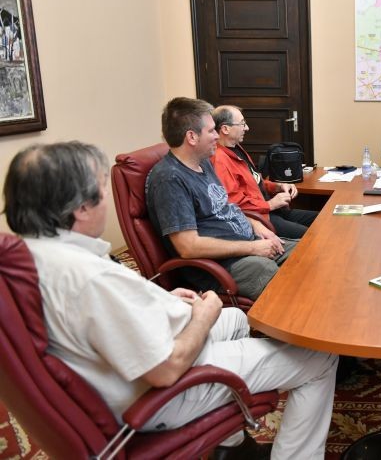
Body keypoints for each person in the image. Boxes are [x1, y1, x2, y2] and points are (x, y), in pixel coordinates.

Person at [2, 141, 338, 460]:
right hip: (167, 389)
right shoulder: (89, 278)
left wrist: (158, 299)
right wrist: (204, 314)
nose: (105, 198)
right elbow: (166, 369)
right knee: (319, 357)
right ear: (81, 207)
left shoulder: (33, 256)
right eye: (101, 189)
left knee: (237, 319)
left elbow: (106, 313)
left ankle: (232, 448)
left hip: (146, 347)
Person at [146, 97, 296, 300]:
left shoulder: (203, 163)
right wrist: (252, 247)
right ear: (192, 137)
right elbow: (188, 247)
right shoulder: (170, 179)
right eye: (211, 131)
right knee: (292, 286)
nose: (217, 136)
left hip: (250, 244)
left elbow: (224, 207)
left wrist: (254, 224)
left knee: (308, 252)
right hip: (225, 265)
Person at [210, 105, 318, 239]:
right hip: (261, 217)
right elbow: (232, 201)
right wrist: (269, 205)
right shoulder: (220, 160)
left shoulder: (236, 148)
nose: (247, 128)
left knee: (321, 219)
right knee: (312, 236)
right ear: (225, 129)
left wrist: (277, 186)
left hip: (272, 210)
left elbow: (255, 182)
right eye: (242, 124)